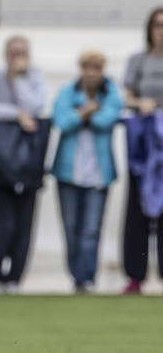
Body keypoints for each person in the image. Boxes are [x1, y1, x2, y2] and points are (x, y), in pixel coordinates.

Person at [0, 35, 48, 292]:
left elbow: (36, 107)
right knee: (2, 224)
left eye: (23, 53)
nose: (18, 58)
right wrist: (16, 114)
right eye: (13, 53)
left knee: (24, 225)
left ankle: (16, 277)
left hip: (28, 165)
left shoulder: (35, 78)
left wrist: (19, 80)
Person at [50, 51, 122, 292]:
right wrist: (86, 111)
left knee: (91, 230)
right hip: (68, 174)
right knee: (71, 228)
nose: (90, 73)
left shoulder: (112, 93)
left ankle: (89, 278)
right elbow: (62, 122)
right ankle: (76, 277)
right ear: (80, 69)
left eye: (96, 68)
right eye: (86, 67)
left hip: (99, 175)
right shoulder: (67, 92)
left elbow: (106, 121)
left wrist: (82, 114)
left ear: (102, 71)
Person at [120, 7, 163, 294]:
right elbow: (126, 94)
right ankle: (135, 276)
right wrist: (140, 104)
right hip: (144, 145)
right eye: (157, 25)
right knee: (137, 209)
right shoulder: (138, 60)